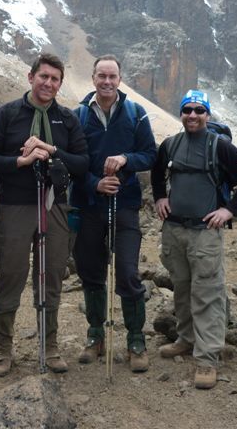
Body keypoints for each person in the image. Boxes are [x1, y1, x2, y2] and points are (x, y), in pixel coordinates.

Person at [0, 53, 89, 376]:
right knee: (10, 273)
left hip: (54, 206)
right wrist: (21, 162)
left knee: (52, 274)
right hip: (15, 205)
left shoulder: (67, 119)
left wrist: (52, 151)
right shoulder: (8, 114)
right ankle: (3, 349)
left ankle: (49, 346)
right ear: (31, 77)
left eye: (55, 79)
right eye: (43, 76)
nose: (48, 83)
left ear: (60, 84)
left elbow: (82, 164)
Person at [150, 89, 237, 389]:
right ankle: (186, 339)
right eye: (187, 110)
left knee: (208, 292)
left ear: (207, 114)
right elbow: (157, 172)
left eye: (199, 110)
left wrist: (229, 210)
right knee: (182, 288)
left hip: (205, 233)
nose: (192, 115)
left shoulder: (220, 146)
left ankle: (207, 357)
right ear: (181, 113)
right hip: (174, 230)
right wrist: (160, 197)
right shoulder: (170, 145)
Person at [70, 55, 157, 372]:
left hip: (125, 205)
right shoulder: (78, 116)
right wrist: (94, 183)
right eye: (101, 76)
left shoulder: (136, 113)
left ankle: (136, 339)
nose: (107, 81)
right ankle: (96, 335)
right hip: (89, 206)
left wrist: (125, 159)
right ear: (93, 78)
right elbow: (72, 162)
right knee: (90, 271)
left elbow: (150, 154)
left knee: (128, 272)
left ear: (120, 79)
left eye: (112, 76)